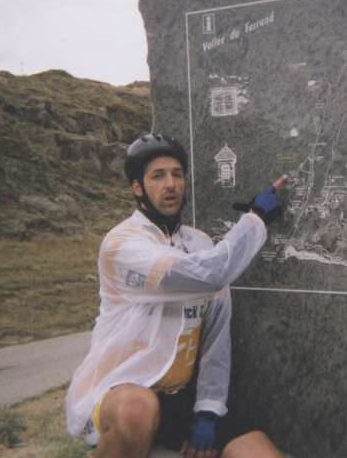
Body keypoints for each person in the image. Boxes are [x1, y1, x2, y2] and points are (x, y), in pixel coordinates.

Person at [65, 133, 285, 458]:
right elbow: (209, 273)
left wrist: (208, 411)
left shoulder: (199, 244)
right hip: (124, 390)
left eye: (177, 174)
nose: (170, 184)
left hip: (181, 396)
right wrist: (255, 219)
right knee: (137, 410)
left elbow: (215, 337)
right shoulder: (122, 245)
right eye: (158, 176)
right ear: (137, 187)